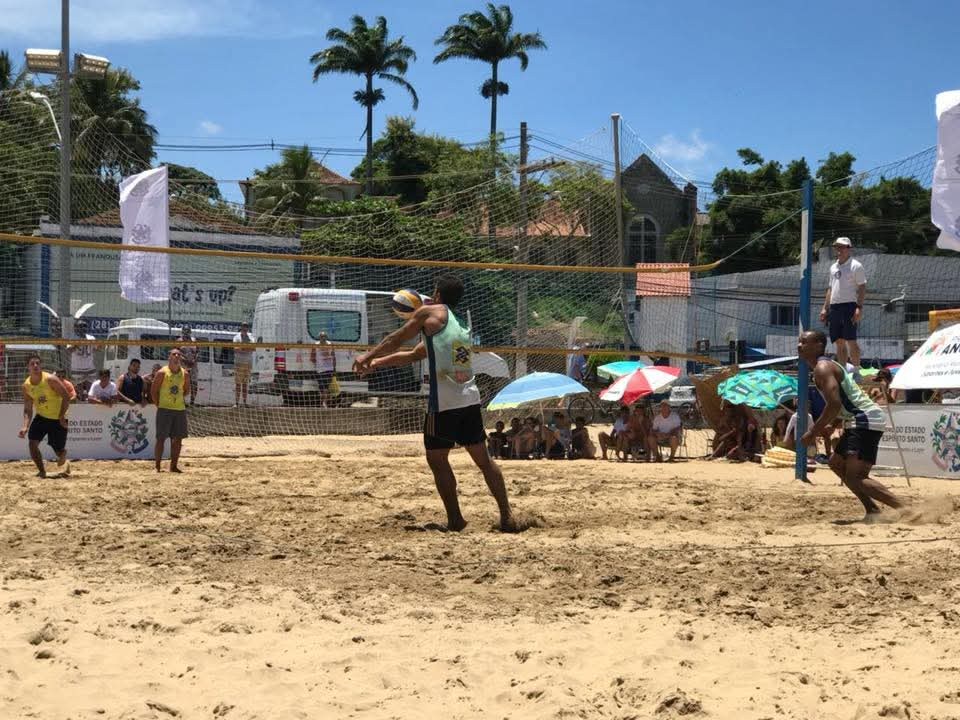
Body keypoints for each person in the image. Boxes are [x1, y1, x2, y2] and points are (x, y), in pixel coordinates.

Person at [353, 273, 520, 532]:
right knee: (484, 461)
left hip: (444, 402)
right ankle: (507, 516)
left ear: (437, 294)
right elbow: (413, 354)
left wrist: (366, 356)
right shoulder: (459, 324)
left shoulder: (428, 313)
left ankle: (455, 519)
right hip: (470, 399)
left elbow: (394, 340)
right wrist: (377, 363)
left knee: (437, 460)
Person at [798, 330, 907, 520]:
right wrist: (834, 423)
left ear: (818, 345)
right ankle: (872, 510)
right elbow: (845, 400)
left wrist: (812, 432)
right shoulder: (824, 367)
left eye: (804, 342)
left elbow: (834, 404)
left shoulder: (823, 367)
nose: (799, 345)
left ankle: (907, 510)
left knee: (857, 476)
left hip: (864, 419)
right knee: (836, 463)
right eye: (799, 342)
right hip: (857, 418)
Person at [18, 353, 71, 478]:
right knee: (32, 443)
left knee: (58, 452)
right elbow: (28, 409)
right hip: (42, 416)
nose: (36, 365)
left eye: (37, 363)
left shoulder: (50, 379)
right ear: (28, 367)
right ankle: (42, 471)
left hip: (58, 418)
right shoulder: (26, 386)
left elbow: (66, 397)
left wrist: (62, 416)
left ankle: (63, 455)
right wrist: (25, 426)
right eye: (32, 364)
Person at [819, 237, 866, 368]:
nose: (839, 249)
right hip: (834, 307)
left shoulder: (856, 265)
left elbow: (862, 287)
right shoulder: (833, 267)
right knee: (839, 341)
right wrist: (824, 308)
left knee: (851, 340)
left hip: (849, 305)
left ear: (848, 248)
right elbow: (830, 288)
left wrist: (859, 308)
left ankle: (856, 371)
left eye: (843, 247)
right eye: (837, 247)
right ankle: (843, 371)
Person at [151, 349, 190, 473]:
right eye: (174, 354)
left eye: (179, 355)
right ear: (169, 357)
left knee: (178, 439)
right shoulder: (162, 372)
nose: (177, 356)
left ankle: (173, 466)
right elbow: (153, 391)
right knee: (161, 438)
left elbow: (187, 390)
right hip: (164, 409)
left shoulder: (185, 374)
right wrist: (159, 405)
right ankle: (157, 466)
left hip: (179, 409)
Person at [67, 319, 97, 397]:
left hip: (89, 367)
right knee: (78, 389)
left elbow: (96, 349)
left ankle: (89, 402)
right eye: (80, 326)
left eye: (84, 326)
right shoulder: (72, 338)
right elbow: (69, 350)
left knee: (90, 389)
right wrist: (77, 344)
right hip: (77, 368)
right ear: (76, 328)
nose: (82, 328)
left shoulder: (91, 338)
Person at [177, 325, 199, 407]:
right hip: (183, 366)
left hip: (193, 366)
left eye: (188, 331)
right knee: (182, 384)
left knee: (194, 384)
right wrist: (184, 360)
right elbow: (176, 352)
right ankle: (182, 402)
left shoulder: (194, 340)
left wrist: (194, 360)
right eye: (185, 331)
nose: (186, 332)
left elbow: (198, 352)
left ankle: (192, 402)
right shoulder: (179, 341)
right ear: (182, 331)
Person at [232, 321, 254, 408]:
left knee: (245, 384)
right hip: (239, 363)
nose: (245, 328)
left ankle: (244, 403)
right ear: (241, 327)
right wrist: (247, 348)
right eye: (243, 326)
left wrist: (243, 348)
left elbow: (253, 348)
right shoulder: (236, 337)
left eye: (246, 326)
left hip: (248, 363)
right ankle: (236, 403)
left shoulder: (251, 337)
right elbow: (236, 349)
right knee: (238, 384)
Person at [313, 331, 336, 407]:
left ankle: (324, 403)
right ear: (319, 337)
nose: (323, 338)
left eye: (324, 336)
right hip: (320, 369)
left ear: (326, 337)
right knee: (322, 388)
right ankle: (323, 402)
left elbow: (333, 356)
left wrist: (334, 368)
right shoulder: (315, 345)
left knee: (325, 387)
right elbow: (312, 356)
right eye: (322, 336)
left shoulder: (330, 344)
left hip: (328, 369)